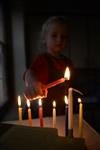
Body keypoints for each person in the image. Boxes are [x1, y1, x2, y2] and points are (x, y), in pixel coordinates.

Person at [23, 16, 74, 118]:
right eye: (54, 35)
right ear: (44, 39)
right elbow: (29, 72)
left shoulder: (68, 62)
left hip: (62, 111)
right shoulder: (42, 59)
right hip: (43, 112)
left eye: (63, 37)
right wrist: (32, 82)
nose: (59, 39)